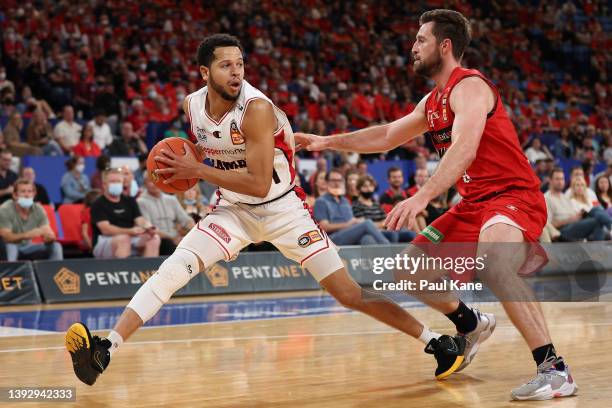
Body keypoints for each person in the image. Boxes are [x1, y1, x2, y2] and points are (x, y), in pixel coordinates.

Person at [65, 34, 468, 387]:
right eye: (225, 65)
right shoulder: (192, 105)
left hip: (284, 210)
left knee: (349, 293)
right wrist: (187, 168)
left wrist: (196, 170)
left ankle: (437, 343)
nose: (236, 72)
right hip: (233, 210)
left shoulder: (256, 108)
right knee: (173, 270)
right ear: (204, 73)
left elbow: (258, 182)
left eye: (240, 64)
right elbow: (210, 152)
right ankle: (105, 347)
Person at [296, 10, 576, 400]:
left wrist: (423, 195)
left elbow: (464, 147)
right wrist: (327, 142)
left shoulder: (471, 86)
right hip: (475, 202)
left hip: (512, 195)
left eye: (421, 40)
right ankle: (471, 323)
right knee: (408, 271)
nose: (412, 47)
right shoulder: (433, 101)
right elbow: (388, 135)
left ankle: (554, 369)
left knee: (495, 262)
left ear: (445, 46)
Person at [89, 168, 160, 259]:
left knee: (154, 238)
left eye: (118, 181)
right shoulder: (98, 204)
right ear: (104, 185)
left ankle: (149, 271)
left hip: (129, 237)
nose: (116, 184)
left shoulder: (129, 201)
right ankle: (125, 270)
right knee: (123, 239)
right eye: (112, 181)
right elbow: (106, 229)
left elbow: (139, 219)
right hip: (104, 241)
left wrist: (149, 227)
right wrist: (130, 231)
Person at [314, 168, 390, 246]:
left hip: (348, 234)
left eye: (339, 180)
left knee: (367, 238)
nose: (336, 183)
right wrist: (348, 224)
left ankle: (374, 257)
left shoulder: (345, 201)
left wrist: (355, 222)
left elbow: (352, 223)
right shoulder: (321, 201)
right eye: (333, 180)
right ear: (326, 182)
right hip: (331, 239)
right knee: (367, 223)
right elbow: (324, 227)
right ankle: (389, 249)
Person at [0, 179, 63, 261]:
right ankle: (10, 273)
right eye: (23, 191)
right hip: (7, 246)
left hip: (27, 247)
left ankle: (54, 272)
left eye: (29, 191)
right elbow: (6, 238)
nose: (27, 195)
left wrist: (49, 237)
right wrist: (28, 234)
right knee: (11, 246)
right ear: (15, 195)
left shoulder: (38, 209)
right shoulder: (5, 209)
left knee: (56, 246)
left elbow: (47, 231)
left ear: (34, 194)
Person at [137, 173, 195, 255]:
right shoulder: (141, 202)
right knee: (169, 245)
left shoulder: (171, 199)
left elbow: (186, 220)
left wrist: (196, 231)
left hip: (176, 238)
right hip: (159, 239)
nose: (155, 184)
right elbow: (150, 229)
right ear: (145, 184)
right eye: (151, 181)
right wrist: (173, 238)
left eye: (157, 181)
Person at [545, 169, 607, 241]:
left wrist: (579, 216)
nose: (560, 182)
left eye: (562, 179)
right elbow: (548, 225)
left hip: (575, 225)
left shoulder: (565, 197)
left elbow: (574, 216)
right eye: (557, 179)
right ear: (550, 181)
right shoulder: (546, 198)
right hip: (562, 231)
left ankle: (599, 249)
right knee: (597, 221)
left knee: (598, 220)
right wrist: (568, 220)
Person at [352, 174, 415, 243]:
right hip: (371, 233)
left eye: (371, 186)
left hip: (383, 230)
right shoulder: (356, 205)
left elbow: (386, 221)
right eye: (365, 186)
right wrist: (381, 224)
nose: (368, 189)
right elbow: (364, 225)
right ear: (359, 189)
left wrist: (380, 224)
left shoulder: (376, 204)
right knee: (392, 234)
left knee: (411, 234)